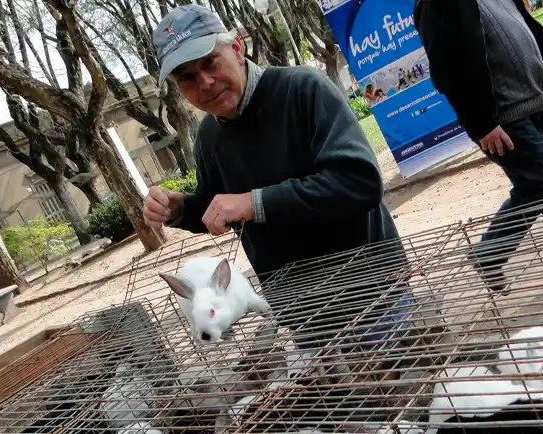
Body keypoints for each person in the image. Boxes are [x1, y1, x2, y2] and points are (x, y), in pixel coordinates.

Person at [142, 4, 436, 354]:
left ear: (237, 48)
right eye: (186, 77)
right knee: (351, 407)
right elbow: (217, 206)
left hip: (370, 296)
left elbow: (360, 182)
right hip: (304, 314)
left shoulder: (303, 89)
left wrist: (254, 202)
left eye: (210, 62)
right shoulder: (208, 136)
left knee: (409, 395)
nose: (204, 83)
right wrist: (181, 209)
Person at [414, 0, 543, 293]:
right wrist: (481, 124)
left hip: (536, 103)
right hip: (502, 118)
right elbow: (445, 68)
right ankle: (488, 254)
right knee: (538, 185)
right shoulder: (434, 4)